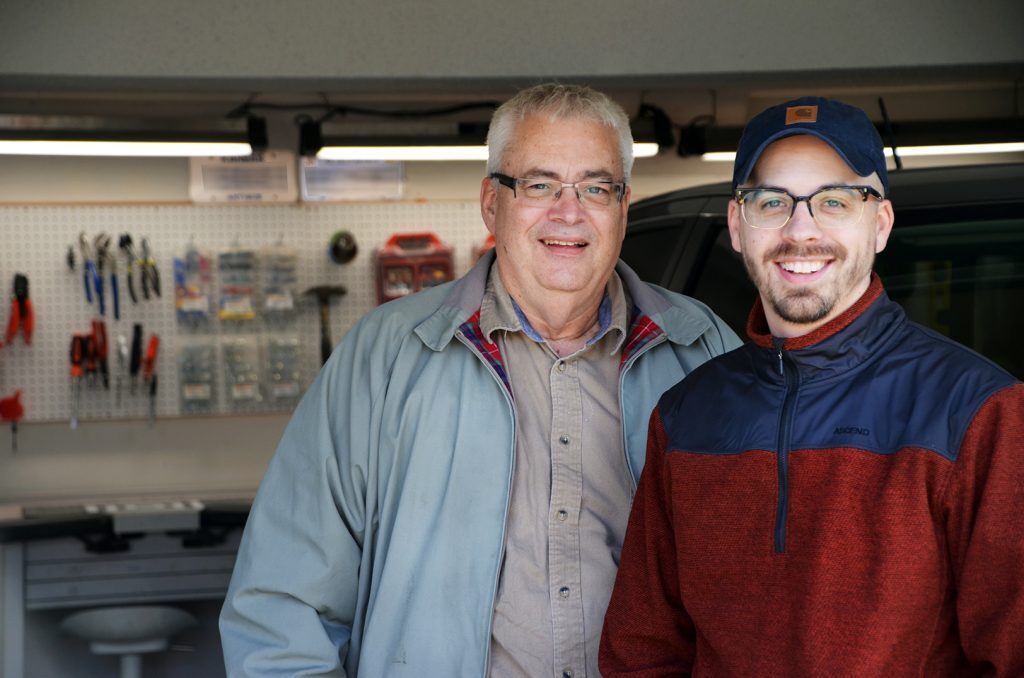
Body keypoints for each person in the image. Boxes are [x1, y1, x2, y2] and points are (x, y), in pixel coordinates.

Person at [220, 83, 741, 677]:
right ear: (492, 203)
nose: (568, 213)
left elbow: (758, 585)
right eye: (540, 185)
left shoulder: (702, 353)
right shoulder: (386, 359)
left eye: (595, 188)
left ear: (623, 206)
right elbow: (283, 607)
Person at [599, 95, 1024, 676]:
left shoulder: (977, 412)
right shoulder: (687, 416)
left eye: (835, 201)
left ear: (880, 224)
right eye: (772, 201)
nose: (802, 231)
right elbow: (641, 651)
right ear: (737, 226)